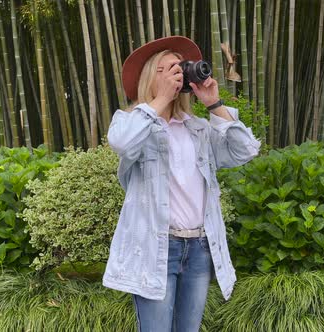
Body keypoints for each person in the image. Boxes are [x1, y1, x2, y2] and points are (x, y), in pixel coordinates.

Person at [102, 36, 260, 332]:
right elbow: (122, 144)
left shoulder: (198, 129)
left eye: (180, 67)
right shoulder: (130, 122)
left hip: (199, 248)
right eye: (167, 68)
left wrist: (214, 104)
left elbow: (246, 150)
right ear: (152, 76)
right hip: (157, 249)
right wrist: (159, 100)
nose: (177, 72)